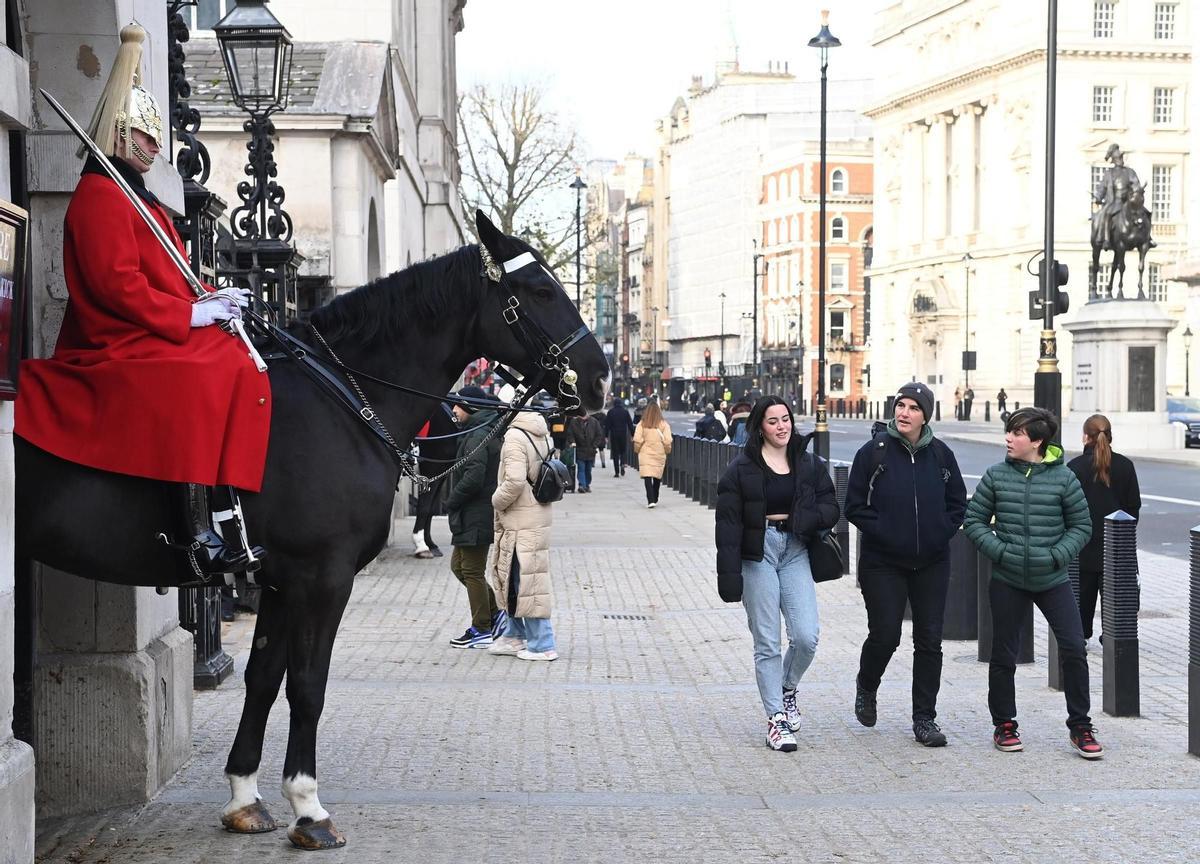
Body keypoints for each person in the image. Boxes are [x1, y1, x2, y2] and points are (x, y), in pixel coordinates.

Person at [15, 23, 269, 576]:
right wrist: (189, 315)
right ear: (122, 135)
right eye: (146, 138)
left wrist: (211, 298)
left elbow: (171, 273)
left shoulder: (139, 196)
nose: (156, 149)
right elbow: (116, 285)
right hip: (115, 336)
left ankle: (228, 509)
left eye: (156, 140)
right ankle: (192, 525)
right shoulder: (102, 195)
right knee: (198, 373)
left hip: (148, 326)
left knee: (238, 360)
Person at [963, 407, 1101, 758]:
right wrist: (1001, 552)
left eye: (1017, 433)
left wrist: (1057, 555)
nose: (1008, 438)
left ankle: (1081, 726)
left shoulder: (1064, 479)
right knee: (1003, 654)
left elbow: (1082, 526)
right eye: (1009, 432)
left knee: (1073, 646)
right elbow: (974, 521)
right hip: (1008, 578)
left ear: (1037, 441)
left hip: (1052, 578)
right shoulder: (996, 476)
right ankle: (1004, 724)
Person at [844, 383, 967, 747]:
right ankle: (867, 685)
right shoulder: (874, 453)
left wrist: (939, 532)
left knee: (929, 641)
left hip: (931, 561)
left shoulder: (941, 455)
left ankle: (924, 718)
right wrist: (885, 532)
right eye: (901, 405)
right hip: (883, 561)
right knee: (886, 634)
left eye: (914, 407)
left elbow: (957, 503)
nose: (905, 412)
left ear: (925, 415)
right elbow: (853, 505)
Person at [715, 395, 839, 752]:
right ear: (760, 427)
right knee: (767, 641)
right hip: (758, 555)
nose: (782, 426)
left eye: (785, 419)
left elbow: (830, 505)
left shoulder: (808, 463)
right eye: (773, 421)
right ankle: (776, 720)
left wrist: (806, 519)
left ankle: (787, 687)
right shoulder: (740, 470)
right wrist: (729, 579)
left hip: (796, 549)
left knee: (806, 636)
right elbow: (726, 526)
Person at [488, 394, 558, 661]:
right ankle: (513, 634)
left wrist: (496, 500)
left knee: (528, 579)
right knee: (517, 577)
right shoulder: (540, 432)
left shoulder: (515, 437)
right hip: (536, 512)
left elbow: (515, 481)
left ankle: (542, 644)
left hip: (520, 517)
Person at [1067, 414, 1141, 641]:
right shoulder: (1125, 466)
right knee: (1116, 595)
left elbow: (1065, 507)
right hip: (1117, 546)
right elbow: (1133, 508)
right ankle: (1112, 634)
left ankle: (1082, 634)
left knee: (1082, 596)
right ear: (1110, 436)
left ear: (1084, 437)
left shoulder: (1074, 467)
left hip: (1082, 546)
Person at [445, 386, 505, 648]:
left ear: (469, 407)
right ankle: (494, 614)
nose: (454, 411)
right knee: (459, 567)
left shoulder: (477, 435)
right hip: (473, 513)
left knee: (471, 569)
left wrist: (451, 500)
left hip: (475, 513)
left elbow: (473, 476)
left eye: (457, 405)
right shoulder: (478, 431)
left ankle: (482, 627)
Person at [633, 401, 673, 508]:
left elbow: (637, 439)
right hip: (659, 452)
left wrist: (637, 450)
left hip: (645, 452)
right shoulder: (664, 425)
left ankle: (650, 499)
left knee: (647, 476)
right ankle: (655, 496)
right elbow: (668, 440)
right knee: (657, 476)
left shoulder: (642, 424)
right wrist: (667, 450)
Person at [566, 412, 605, 493]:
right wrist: (572, 442)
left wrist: (594, 445)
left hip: (591, 450)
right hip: (579, 449)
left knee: (588, 469)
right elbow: (570, 434)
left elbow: (599, 435)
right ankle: (582, 485)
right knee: (581, 468)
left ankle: (587, 485)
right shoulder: (574, 422)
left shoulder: (594, 422)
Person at [605, 397, 635, 477]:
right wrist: (632, 434)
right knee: (623, 451)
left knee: (615, 453)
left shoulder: (610, 412)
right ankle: (622, 463)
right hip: (623, 434)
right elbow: (630, 424)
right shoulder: (625, 412)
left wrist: (606, 436)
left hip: (614, 434)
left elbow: (607, 425)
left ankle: (617, 472)